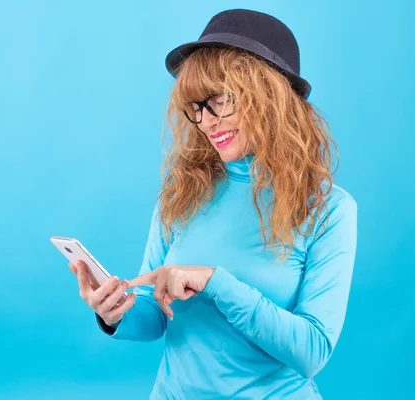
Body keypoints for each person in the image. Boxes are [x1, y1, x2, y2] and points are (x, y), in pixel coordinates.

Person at [69, 8, 357, 400]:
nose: (206, 122)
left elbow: (312, 352)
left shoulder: (329, 209)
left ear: (271, 98)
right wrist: (114, 312)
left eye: (220, 101)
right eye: (197, 106)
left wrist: (215, 282)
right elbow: (155, 315)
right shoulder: (183, 193)